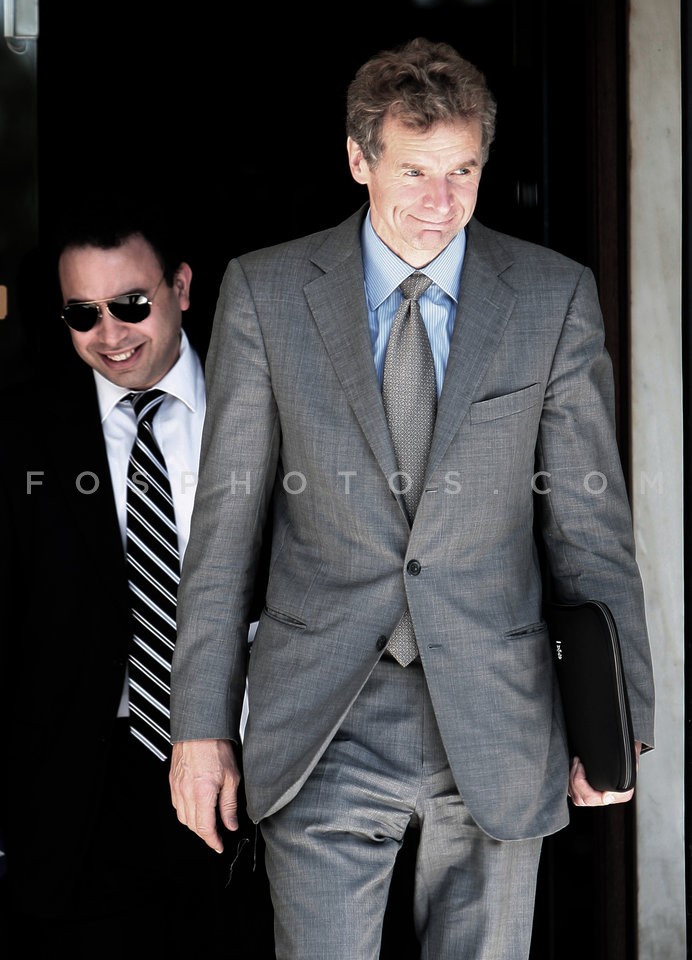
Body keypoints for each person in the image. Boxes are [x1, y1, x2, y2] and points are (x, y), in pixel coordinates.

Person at [168, 37, 656, 959]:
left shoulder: (552, 296)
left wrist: (615, 715)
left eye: (463, 170)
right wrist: (198, 726)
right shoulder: (266, 292)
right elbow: (225, 530)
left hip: (501, 711)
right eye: (416, 171)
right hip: (324, 716)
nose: (442, 201)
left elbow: (590, 525)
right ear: (360, 160)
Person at [0, 193, 274, 957]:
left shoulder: (270, 405)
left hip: (259, 781)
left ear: (181, 287)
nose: (111, 335)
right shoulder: (20, 435)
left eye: (130, 304)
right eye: (83, 314)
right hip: (85, 801)